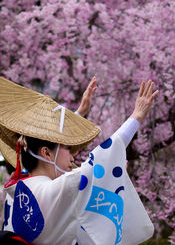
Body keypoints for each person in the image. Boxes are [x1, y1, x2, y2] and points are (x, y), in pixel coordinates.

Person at [0, 76, 158, 245]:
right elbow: (104, 157)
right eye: (69, 149)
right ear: (46, 153)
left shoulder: (16, 190)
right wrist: (136, 116)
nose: (74, 156)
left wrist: (79, 114)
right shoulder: (62, 188)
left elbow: (49, 147)